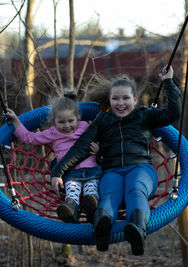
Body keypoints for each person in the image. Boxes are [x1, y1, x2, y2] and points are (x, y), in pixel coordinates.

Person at [50, 66, 181, 255]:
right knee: (110, 195)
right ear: (109, 100)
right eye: (116, 98)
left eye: (126, 98)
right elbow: (80, 148)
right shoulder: (102, 121)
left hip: (141, 168)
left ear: (135, 100)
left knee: (135, 189)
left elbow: (173, 113)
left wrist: (168, 82)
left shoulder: (144, 115)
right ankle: (102, 230)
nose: (121, 103)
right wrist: (58, 172)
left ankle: (136, 229)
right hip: (112, 171)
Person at [5, 90, 102, 223]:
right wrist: (16, 121)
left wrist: (99, 149)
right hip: (69, 173)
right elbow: (30, 138)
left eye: (70, 121)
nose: (67, 125)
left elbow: (102, 137)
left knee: (91, 190)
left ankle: (92, 208)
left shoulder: (85, 127)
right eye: (61, 122)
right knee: (72, 191)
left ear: (78, 118)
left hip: (91, 170)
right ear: (54, 121)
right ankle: (70, 211)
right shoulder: (53, 133)